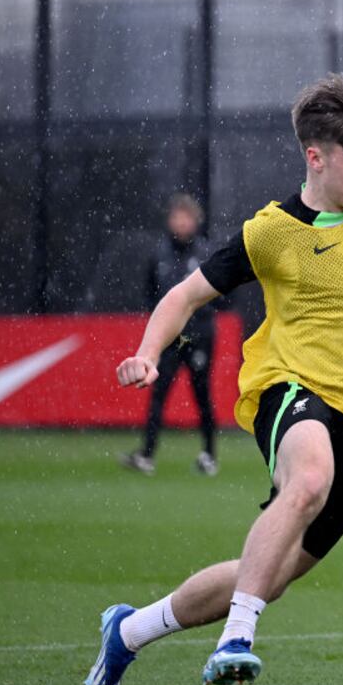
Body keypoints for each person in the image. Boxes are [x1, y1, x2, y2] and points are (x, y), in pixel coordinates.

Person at [83, 73, 343, 685]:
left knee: (268, 578)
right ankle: (234, 640)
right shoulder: (272, 232)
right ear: (316, 156)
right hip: (292, 386)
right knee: (307, 482)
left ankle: (130, 630)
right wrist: (146, 352)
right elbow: (185, 296)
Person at [121, 192, 220, 477]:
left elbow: (223, 295)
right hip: (172, 339)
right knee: (158, 393)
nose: (181, 223)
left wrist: (201, 318)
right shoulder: (160, 254)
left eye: (186, 217)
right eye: (177, 217)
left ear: (196, 221)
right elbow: (151, 295)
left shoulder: (205, 253)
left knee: (202, 395)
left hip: (199, 335)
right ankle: (147, 455)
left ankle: (209, 455)